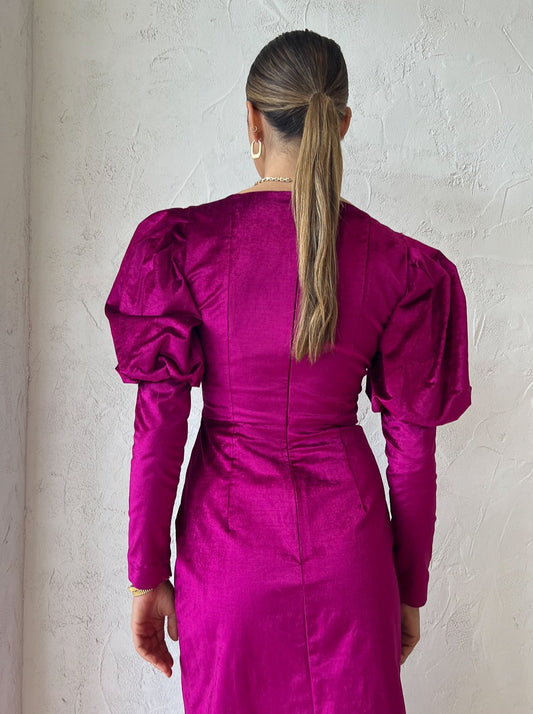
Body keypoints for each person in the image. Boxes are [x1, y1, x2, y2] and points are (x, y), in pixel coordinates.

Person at [104, 28, 472, 714]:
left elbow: (159, 428)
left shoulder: (184, 247)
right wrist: (408, 589)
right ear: (342, 123)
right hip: (349, 558)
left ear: (252, 118)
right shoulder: (401, 266)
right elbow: (412, 455)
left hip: (226, 554)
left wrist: (144, 575)